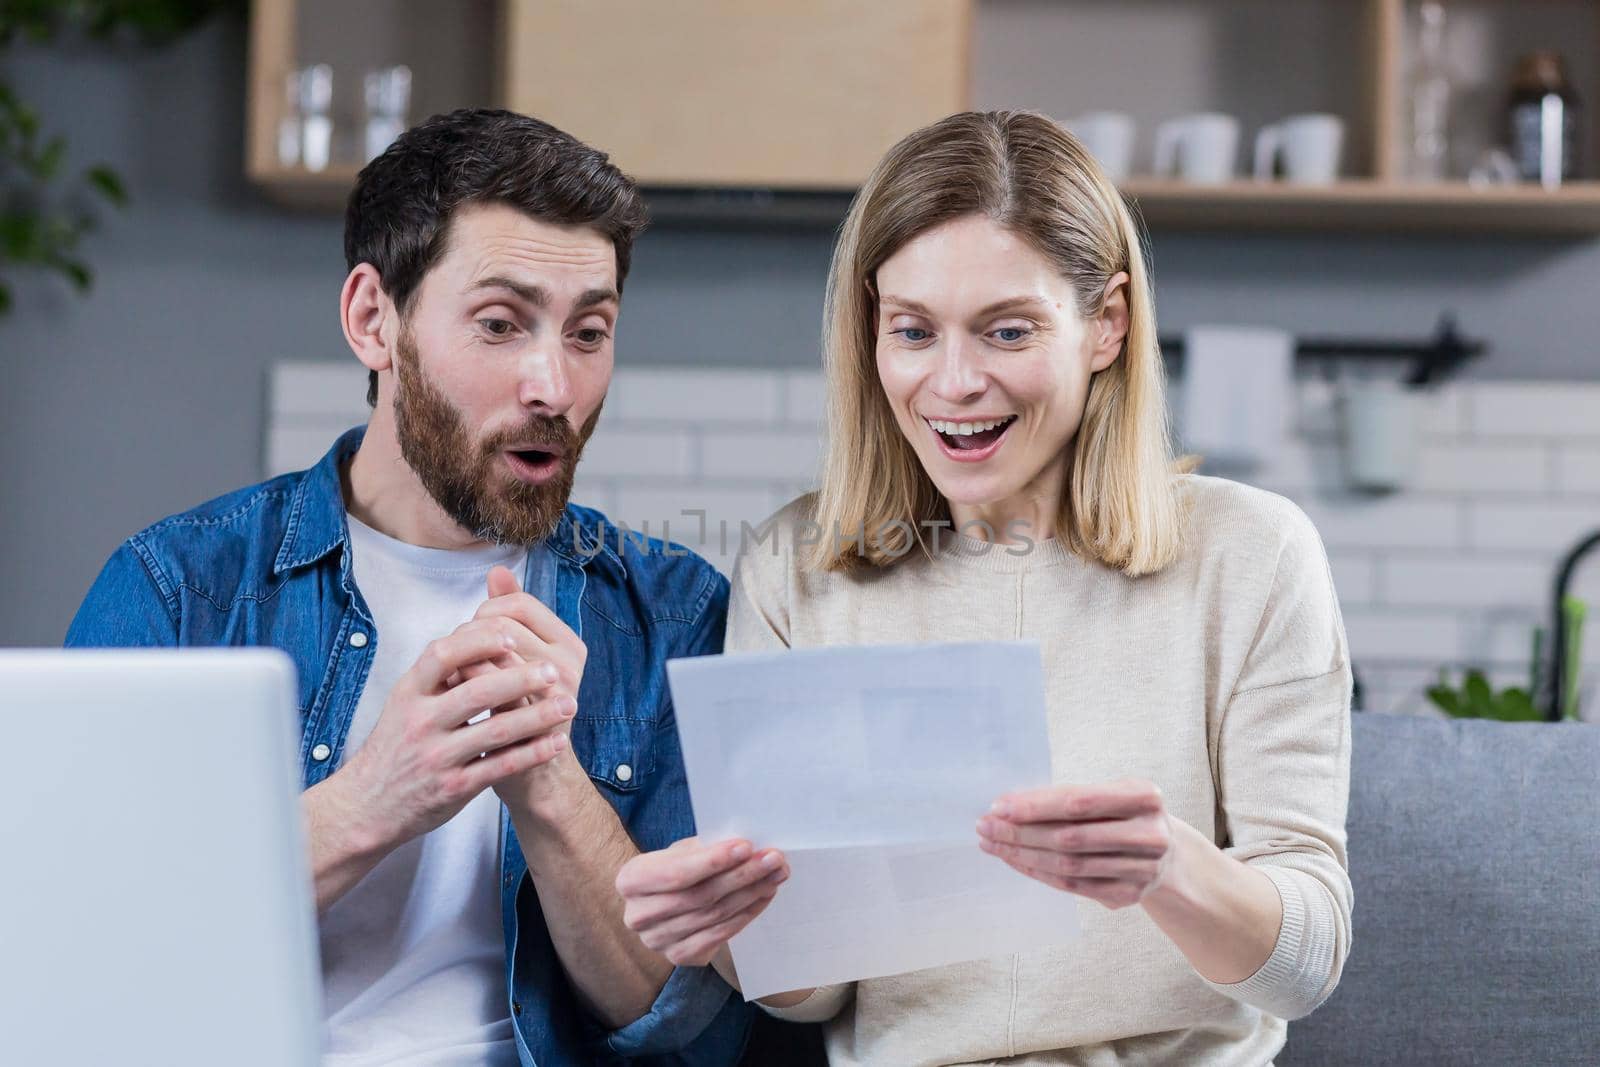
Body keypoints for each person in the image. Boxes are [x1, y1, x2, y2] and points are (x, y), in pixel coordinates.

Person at [615, 110, 1352, 1066]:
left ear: (1107, 325)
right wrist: (727, 930)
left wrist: (1171, 867)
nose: (954, 381)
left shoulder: (1252, 554)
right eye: (913, 331)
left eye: (1007, 330)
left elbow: (1306, 963)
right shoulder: (797, 568)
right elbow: (812, 989)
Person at [65, 108, 754, 1067]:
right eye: (500, 324)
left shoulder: (673, 612)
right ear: (371, 319)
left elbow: (681, 1024)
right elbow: (80, 947)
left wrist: (550, 782)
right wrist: (373, 799)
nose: (552, 383)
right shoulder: (182, 588)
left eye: (589, 332)